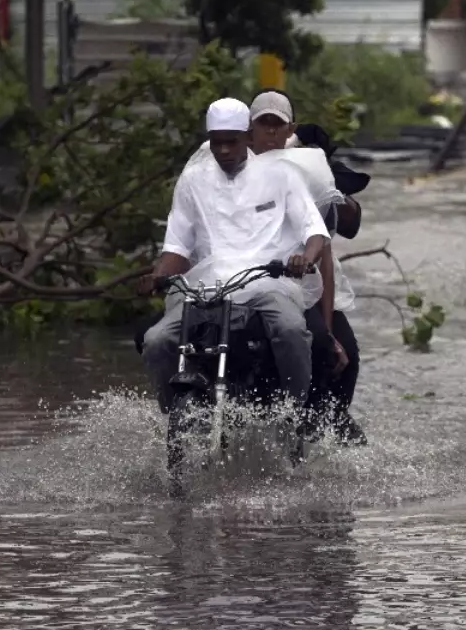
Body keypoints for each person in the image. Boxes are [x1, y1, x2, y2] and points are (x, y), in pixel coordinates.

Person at [138, 97, 331, 422]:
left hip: (267, 282)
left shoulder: (281, 176)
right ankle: (174, 421)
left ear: (247, 137)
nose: (224, 150)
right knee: (155, 340)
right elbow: (177, 248)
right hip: (206, 285)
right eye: (217, 143)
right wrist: (157, 276)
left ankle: (294, 414)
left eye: (232, 141)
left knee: (291, 329)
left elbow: (315, 231)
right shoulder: (193, 180)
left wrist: (304, 258)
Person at [247, 90, 369, 445]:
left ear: (290, 130)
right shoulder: (224, 168)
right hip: (237, 276)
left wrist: (326, 180)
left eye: (277, 125)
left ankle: (324, 425)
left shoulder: (307, 171)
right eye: (262, 124)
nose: (270, 133)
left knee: (338, 349)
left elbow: (330, 246)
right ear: (247, 129)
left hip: (299, 278)